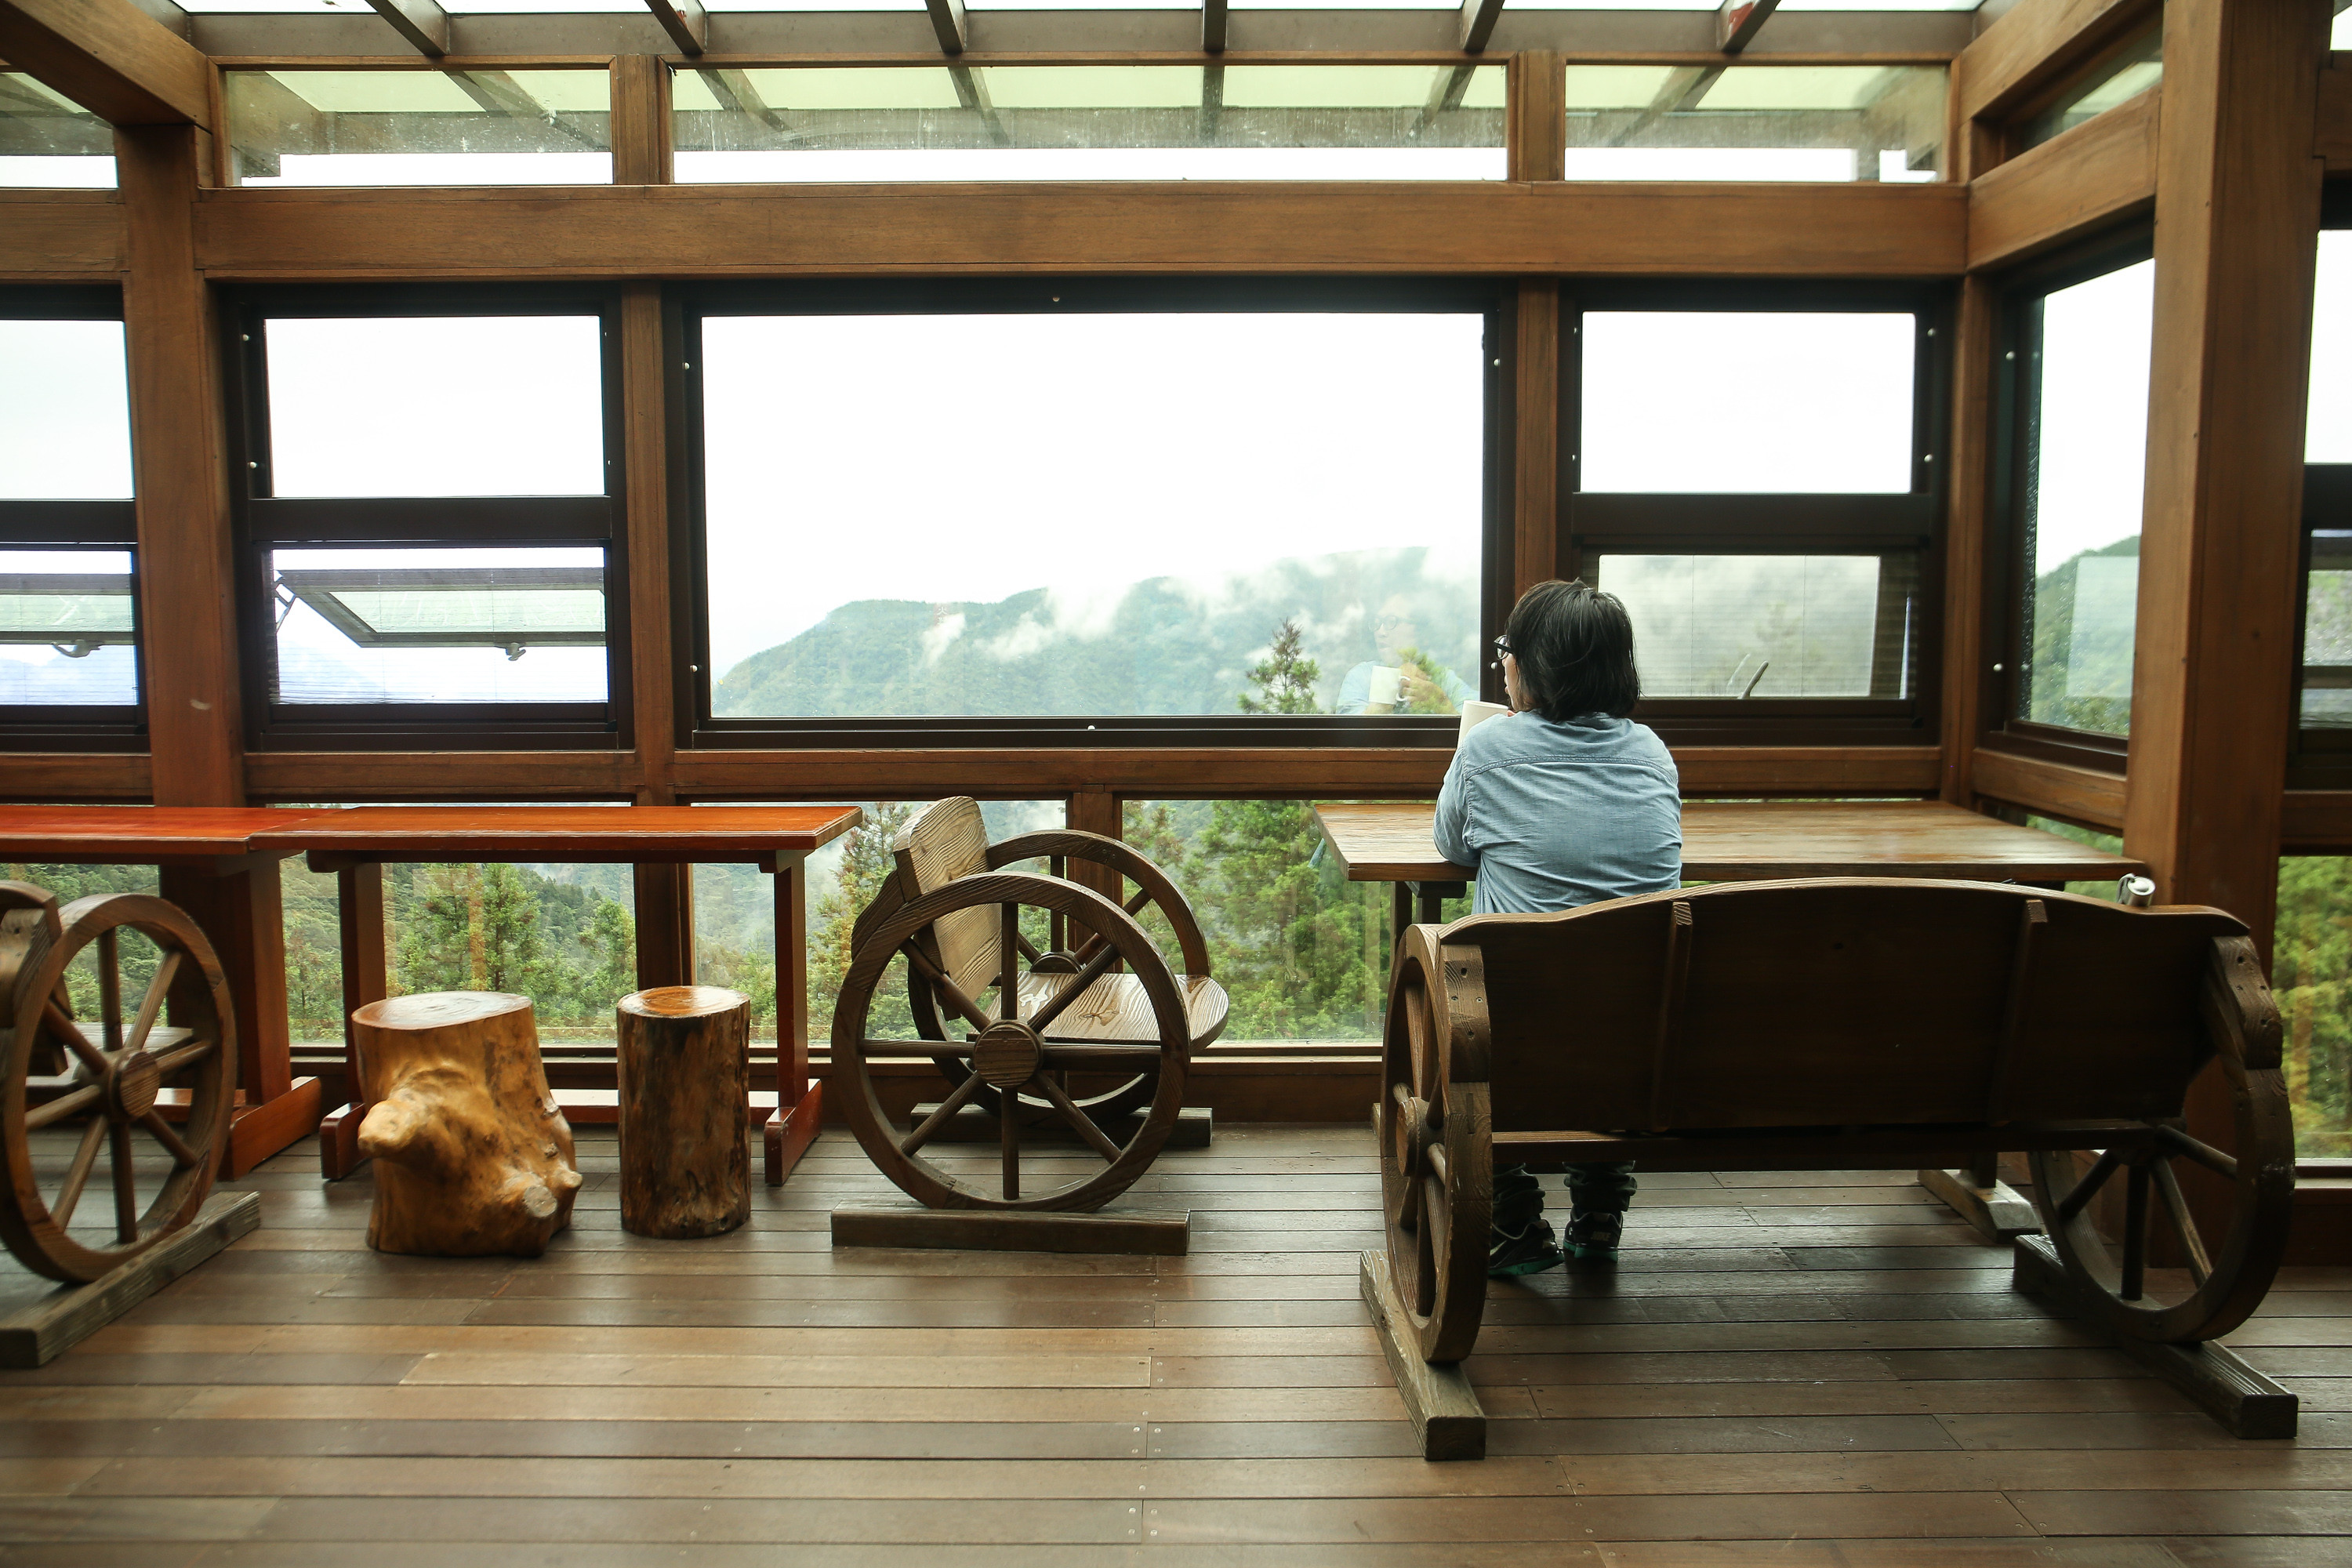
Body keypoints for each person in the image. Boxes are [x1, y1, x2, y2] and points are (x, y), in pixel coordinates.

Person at [1433, 578, 1682, 1276]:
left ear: (1536, 667)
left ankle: (1512, 1218)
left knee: (1450, 998)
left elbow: (1451, 847)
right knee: (1609, 992)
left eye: (1508, 651)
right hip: (1640, 1035)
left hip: (1517, 1032)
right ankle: (1599, 1213)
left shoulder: (1488, 750)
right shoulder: (1652, 753)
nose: (1502, 664)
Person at [1336, 593, 1472, 714]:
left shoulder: (1444, 679)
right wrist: (1385, 695)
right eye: (1377, 623)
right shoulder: (1362, 676)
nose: (1380, 632)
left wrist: (1441, 703)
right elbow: (1345, 736)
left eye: (1391, 622)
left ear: (1418, 630)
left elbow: (1478, 728)